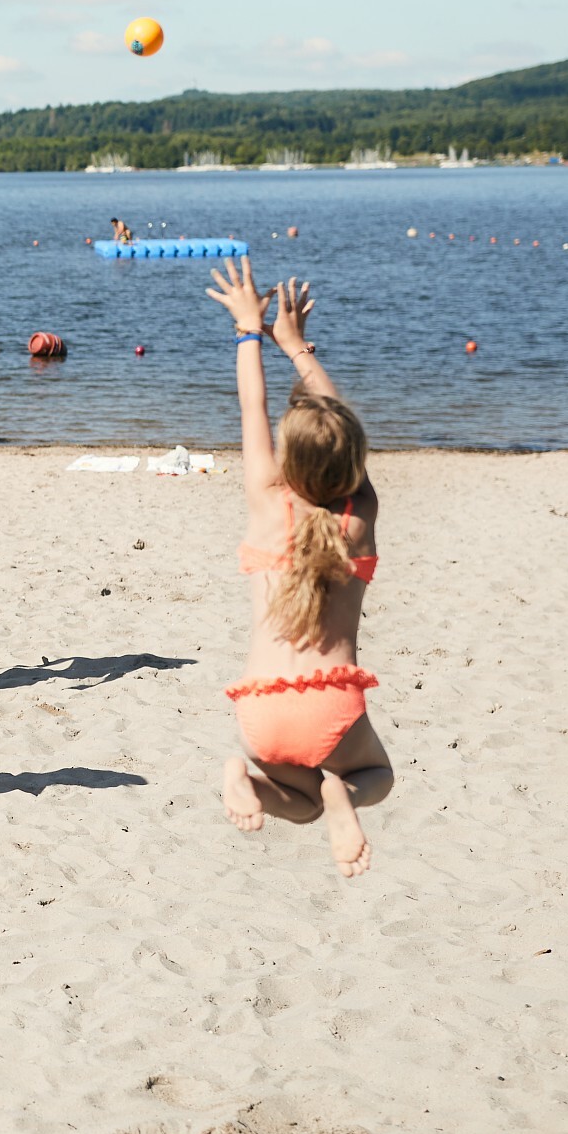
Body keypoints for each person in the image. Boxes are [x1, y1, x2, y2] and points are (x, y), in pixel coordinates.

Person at [205, 257, 394, 877]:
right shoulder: (357, 515)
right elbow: (342, 426)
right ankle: (345, 796)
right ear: (353, 461)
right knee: (374, 775)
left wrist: (249, 332)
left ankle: (248, 781)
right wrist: (297, 346)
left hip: (261, 706)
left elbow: (251, 407)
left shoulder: (267, 500)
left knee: (303, 805)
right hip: (331, 702)